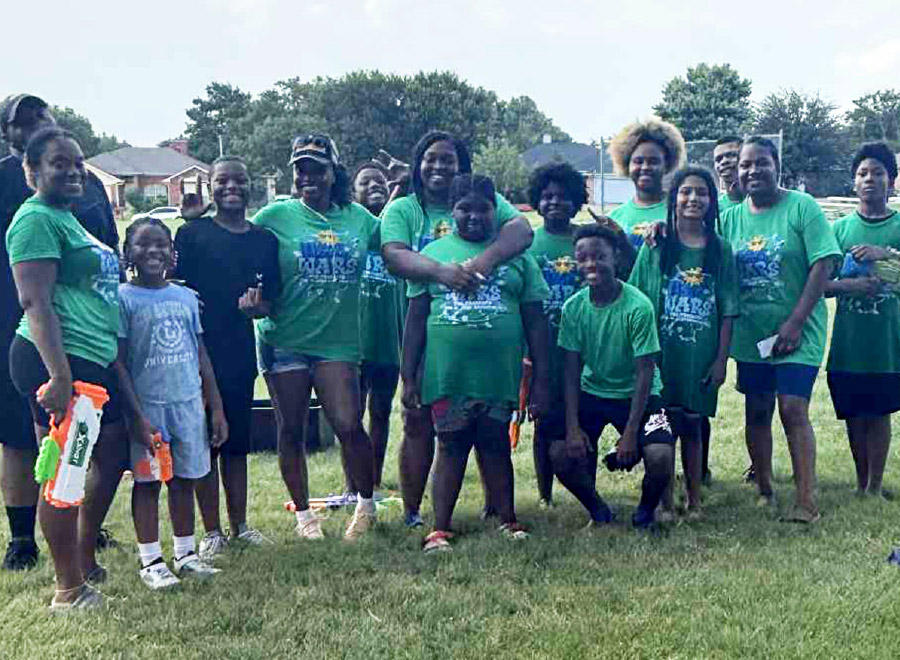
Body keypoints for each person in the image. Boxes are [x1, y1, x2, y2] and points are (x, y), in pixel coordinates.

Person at [381, 130, 534, 527]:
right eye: (430, 158)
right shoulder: (404, 209)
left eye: (448, 159)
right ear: (417, 164)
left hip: (490, 354)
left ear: (462, 166)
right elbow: (395, 257)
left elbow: (521, 231)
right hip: (433, 341)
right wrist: (443, 272)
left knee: (489, 432)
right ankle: (416, 513)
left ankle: (496, 508)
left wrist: (480, 264)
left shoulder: (483, 197)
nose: (438, 166)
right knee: (421, 425)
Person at [0, 94, 122, 571]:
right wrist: (60, 372)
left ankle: (79, 548)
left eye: (40, 117)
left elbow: (106, 250)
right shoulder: (33, 213)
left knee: (93, 455)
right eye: (20, 122)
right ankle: (54, 568)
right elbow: (34, 298)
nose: (71, 171)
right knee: (52, 456)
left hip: (83, 340)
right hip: (42, 341)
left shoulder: (80, 197)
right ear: (30, 165)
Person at [402, 174, 549, 552]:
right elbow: (416, 320)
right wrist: (409, 375)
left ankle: (507, 518)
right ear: (451, 211)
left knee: (496, 444)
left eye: (481, 208)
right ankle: (440, 527)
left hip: (500, 374)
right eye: (463, 208)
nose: (472, 216)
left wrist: (541, 378)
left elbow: (535, 321)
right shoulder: (432, 255)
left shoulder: (518, 259)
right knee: (450, 446)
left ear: (495, 211)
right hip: (447, 374)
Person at [252, 135, 379, 541]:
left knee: (347, 423)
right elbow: (237, 245)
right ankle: (305, 516)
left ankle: (365, 504)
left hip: (338, 341)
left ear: (333, 172)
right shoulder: (275, 216)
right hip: (283, 337)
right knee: (290, 428)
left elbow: (395, 246)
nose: (308, 176)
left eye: (317, 168)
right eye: (300, 169)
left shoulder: (358, 218)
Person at [720, 136, 840, 523]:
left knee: (792, 408)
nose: (752, 171)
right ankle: (765, 488)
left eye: (761, 163)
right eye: (745, 165)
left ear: (777, 166)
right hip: (753, 335)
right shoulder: (731, 216)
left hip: (798, 330)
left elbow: (822, 264)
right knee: (757, 409)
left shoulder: (801, 207)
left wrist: (795, 321)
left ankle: (806, 501)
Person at [174, 156, 281, 560]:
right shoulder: (191, 235)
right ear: (210, 186)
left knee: (236, 442)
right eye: (222, 180)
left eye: (239, 179)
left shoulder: (264, 240)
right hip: (194, 352)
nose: (231, 187)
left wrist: (258, 308)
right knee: (205, 442)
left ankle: (240, 525)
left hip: (238, 350)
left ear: (250, 184)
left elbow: (271, 299)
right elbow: (170, 285)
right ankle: (212, 530)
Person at [116, 218, 227, 588]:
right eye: (144, 244)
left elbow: (201, 353)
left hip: (188, 407)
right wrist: (135, 415)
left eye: (162, 244)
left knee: (184, 480)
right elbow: (118, 361)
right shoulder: (122, 299)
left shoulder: (185, 297)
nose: (154, 251)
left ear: (173, 253)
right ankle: (151, 561)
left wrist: (216, 406)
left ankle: (185, 554)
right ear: (127, 252)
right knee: (148, 482)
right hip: (149, 410)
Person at [629, 167, 739, 515]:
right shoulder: (657, 245)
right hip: (662, 356)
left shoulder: (721, 250)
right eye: (685, 192)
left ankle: (694, 499)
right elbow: (637, 298)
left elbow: (728, 309)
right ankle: (662, 500)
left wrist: (721, 359)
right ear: (673, 198)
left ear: (712, 201)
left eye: (701, 193)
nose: (693, 199)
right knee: (663, 425)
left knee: (693, 425)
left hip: (700, 356)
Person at [552, 224, 675, 529]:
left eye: (599, 256)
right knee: (559, 453)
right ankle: (598, 511)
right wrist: (572, 426)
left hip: (639, 395)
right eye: (583, 257)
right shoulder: (574, 308)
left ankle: (645, 512)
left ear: (616, 258)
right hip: (592, 392)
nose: (591, 263)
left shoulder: (638, 306)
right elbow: (570, 369)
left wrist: (631, 433)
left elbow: (646, 370)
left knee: (660, 455)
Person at [825, 142, 900, 498]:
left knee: (879, 413)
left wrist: (885, 255)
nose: (870, 179)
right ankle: (860, 481)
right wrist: (852, 284)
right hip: (848, 343)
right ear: (853, 182)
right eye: (862, 173)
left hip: (887, 343)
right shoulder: (839, 230)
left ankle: (876, 485)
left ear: (892, 181)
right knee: (854, 414)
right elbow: (822, 285)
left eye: (878, 173)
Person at [524, 162, 586, 507]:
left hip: (580, 347)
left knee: (580, 418)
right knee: (543, 420)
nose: (554, 203)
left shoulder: (584, 237)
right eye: (546, 197)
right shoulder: (529, 242)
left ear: (575, 200)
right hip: (541, 345)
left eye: (563, 197)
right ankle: (545, 493)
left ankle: (582, 486)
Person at [351, 161, 402, 493]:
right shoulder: (352, 227)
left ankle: (374, 479)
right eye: (365, 182)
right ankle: (353, 484)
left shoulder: (398, 229)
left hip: (388, 340)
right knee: (350, 419)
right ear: (353, 193)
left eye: (380, 182)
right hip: (352, 342)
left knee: (380, 414)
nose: (374, 186)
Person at [609, 117, 686, 252]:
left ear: (666, 165)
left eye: (653, 161)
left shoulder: (681, 211)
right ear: (627, 165)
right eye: (638, 161)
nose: (645, 167)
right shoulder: (614, 218)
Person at [713, 136, 745, 215]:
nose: (724, 161)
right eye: (718, 159)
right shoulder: (715, 208)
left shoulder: (764, 202)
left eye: (731, 155)